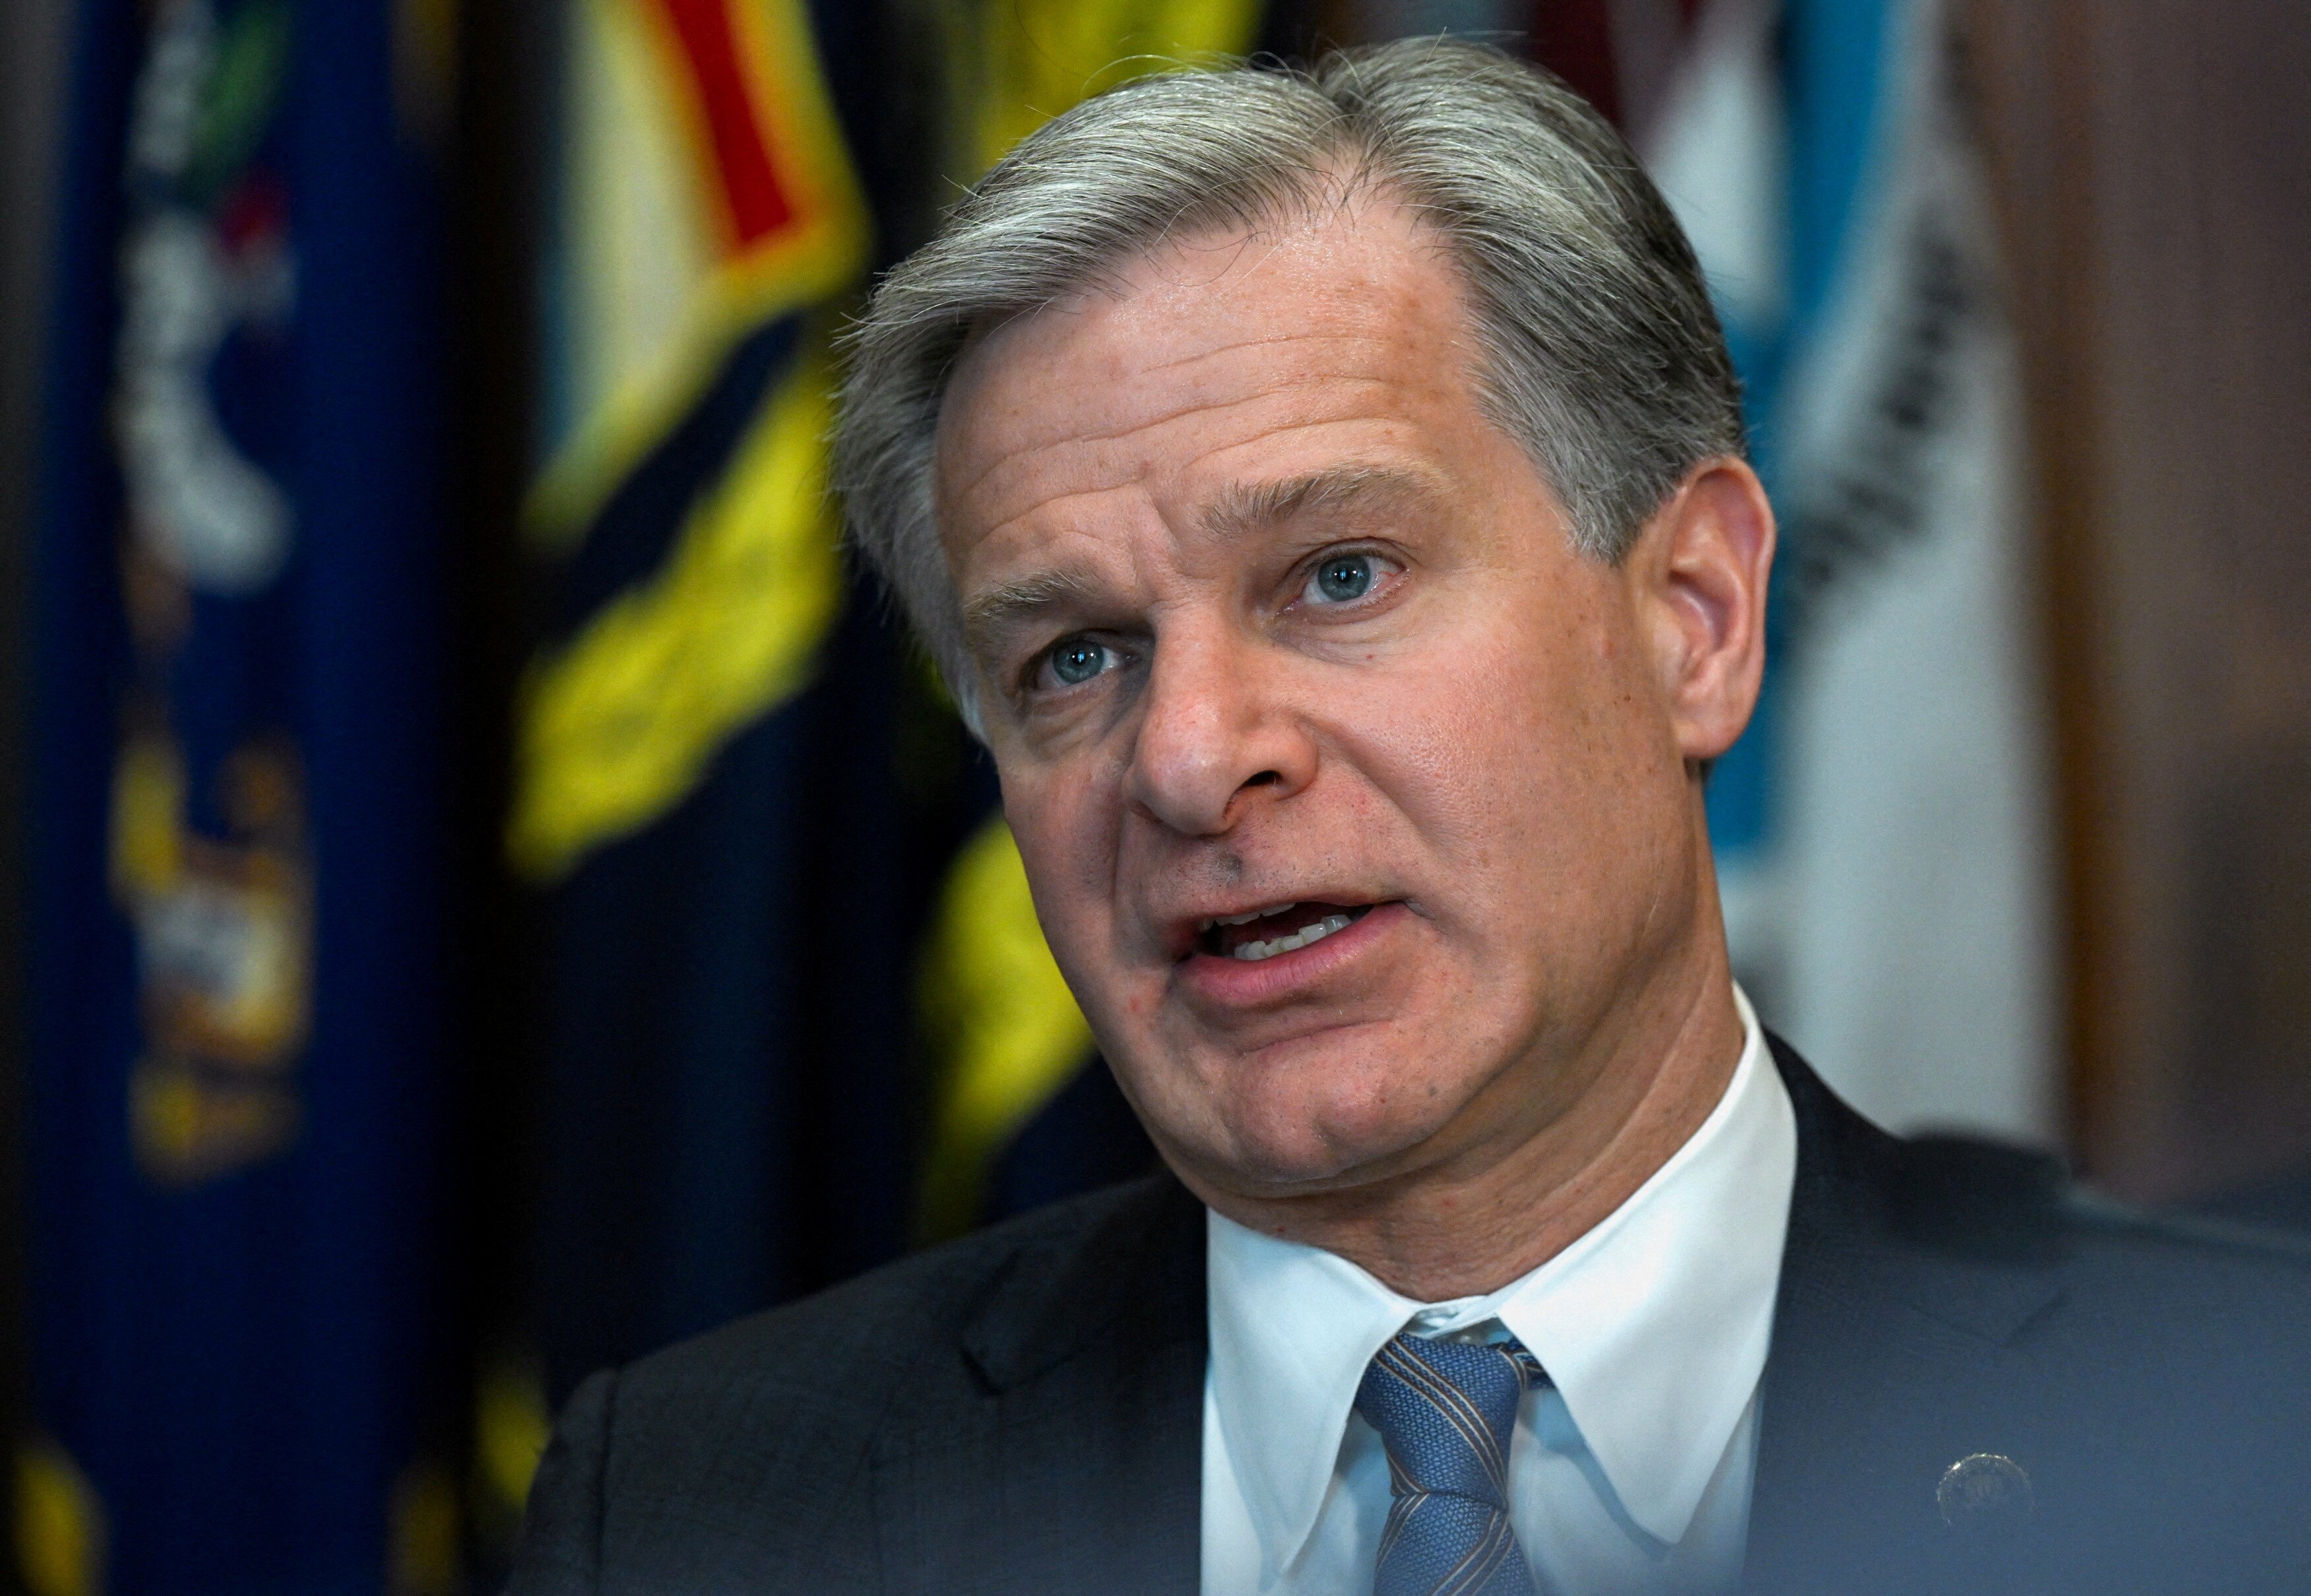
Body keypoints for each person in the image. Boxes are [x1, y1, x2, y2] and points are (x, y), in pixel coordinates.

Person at [507, 40, 2311, 1596]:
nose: (1192, 756)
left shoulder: (2253, 1445)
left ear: (1694, 615)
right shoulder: (702, 1516)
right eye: (1073, 658)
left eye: (1338, 573)